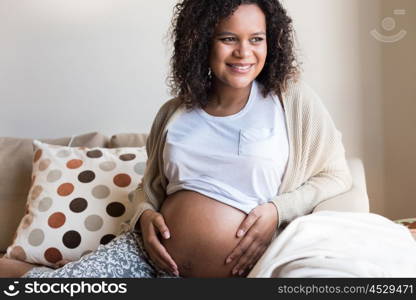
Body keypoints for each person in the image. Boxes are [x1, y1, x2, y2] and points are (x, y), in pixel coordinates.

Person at [5, 0, 351, 278]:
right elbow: (149, 188)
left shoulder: (289, 100)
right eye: (228, 38)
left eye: (256, 38)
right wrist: (143, 215)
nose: (244, 52)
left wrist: (278, 211)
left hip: (243, 270)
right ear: (202, 42)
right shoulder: (175, 112)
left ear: (270, 41)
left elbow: (337, 174)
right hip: (144, 256)